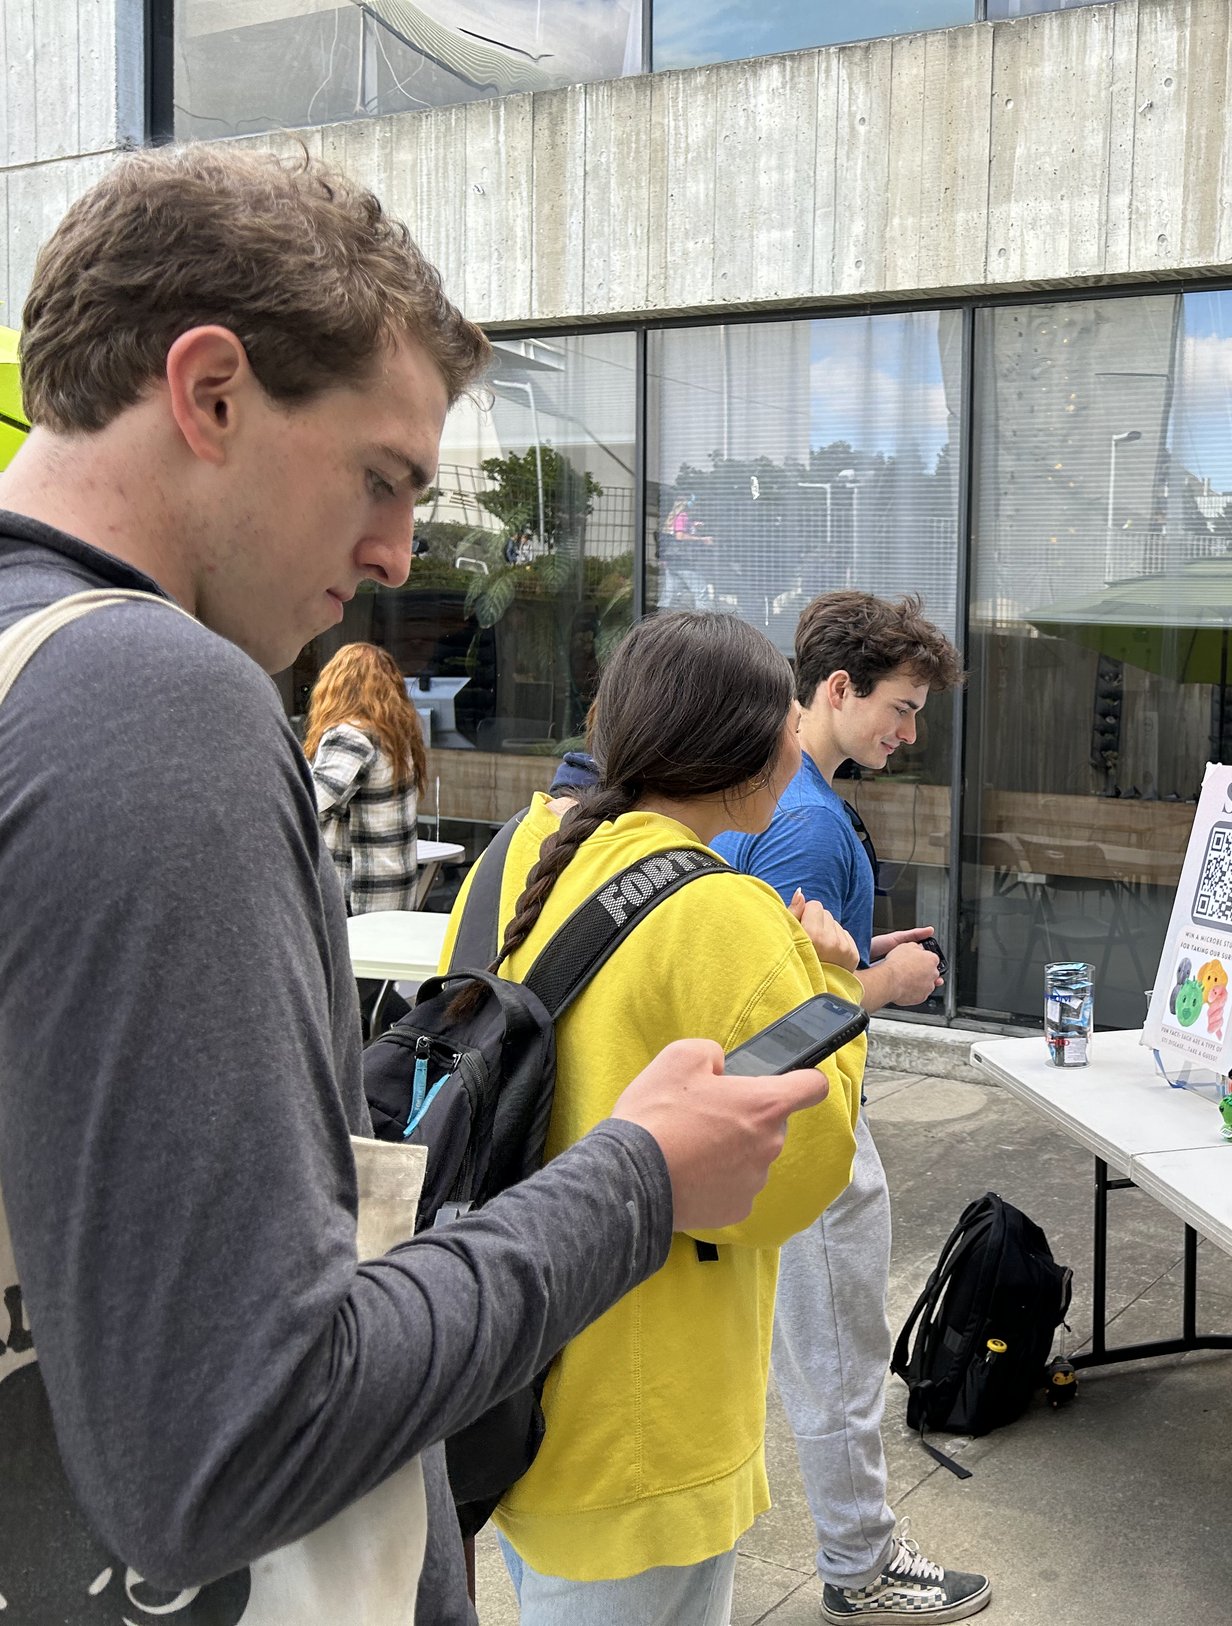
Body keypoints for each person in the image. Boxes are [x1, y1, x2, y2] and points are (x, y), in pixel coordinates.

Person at [0, 144, 828, 1623]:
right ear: (208, 393)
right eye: (380, 478)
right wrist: (639, 1175)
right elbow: (230, 1442)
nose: (391, 555)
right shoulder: (150, 702)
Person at [452, 610, 864, 1623]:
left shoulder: (521, 849)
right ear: (768, 746)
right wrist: (836, 988)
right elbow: (797, 1175)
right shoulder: (726, 911)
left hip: (508, 1373)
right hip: (641, 1422)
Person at [715, 590, 990, 1624]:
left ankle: (856, 1555)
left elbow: (773, 960)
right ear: (836, 689)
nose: (911, 733)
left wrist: (861, 958)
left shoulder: (774, 795)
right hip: (809, 1124)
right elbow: (779, 1017)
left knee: (820, 1357)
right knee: (837, 1363)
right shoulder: (805, 821)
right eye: (902, 708)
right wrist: (885, 988)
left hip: (784, 1124)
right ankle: (861, 1566)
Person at [305, 640, 426, 913]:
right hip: (393, 893)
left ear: (337, 686)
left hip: (355, 898)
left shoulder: (350, 736)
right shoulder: (397, 740)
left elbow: (311, 805)